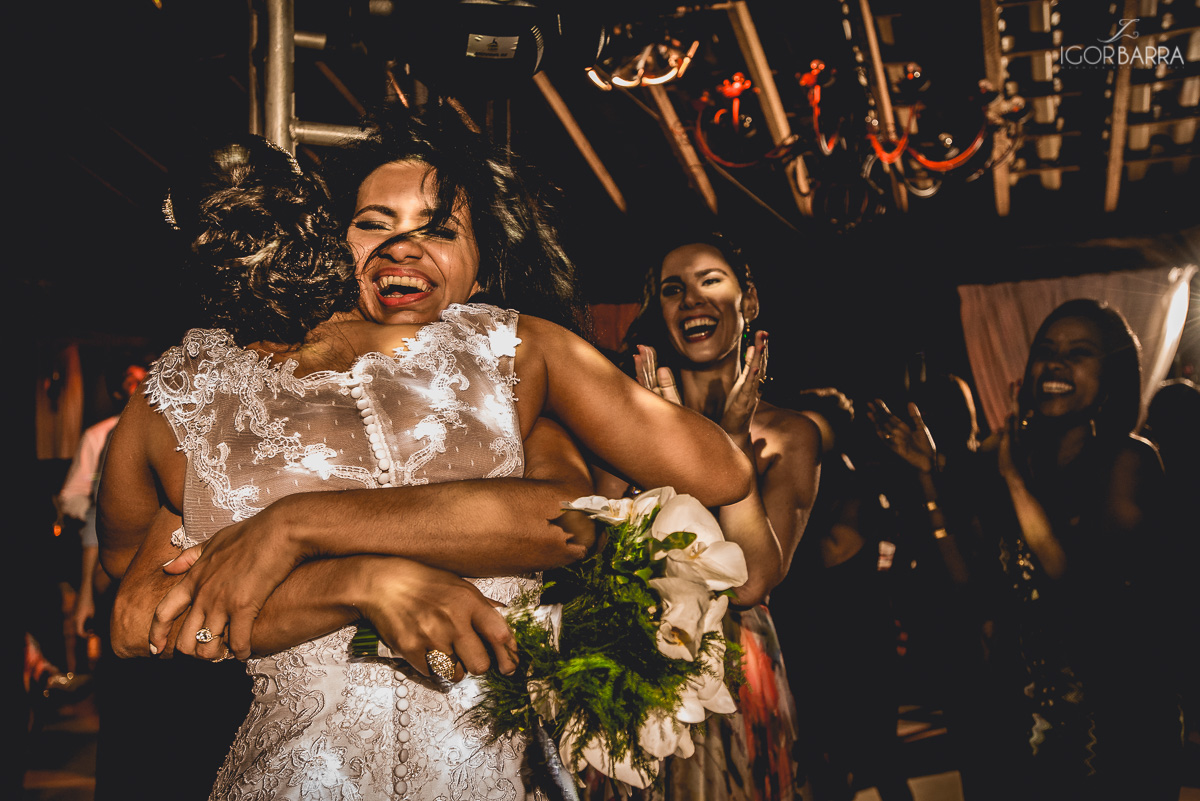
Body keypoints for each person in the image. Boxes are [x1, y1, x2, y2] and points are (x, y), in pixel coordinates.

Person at [99, 113, 757, 801]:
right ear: (333, 242)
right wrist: (358, 580)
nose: (403, 246)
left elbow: (594, 509)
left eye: (439, 228)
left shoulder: (513, 359)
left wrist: (295, 526)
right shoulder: (212, 389)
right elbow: (146, 606)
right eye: (373, 223)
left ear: (482, 273)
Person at [869, 298, 1184, 801]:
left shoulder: (1128, 460)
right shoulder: (1010, 459)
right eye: (1046, 349)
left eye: (1079, 352)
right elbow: (973, 592)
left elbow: (1086, 590)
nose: (1055, 362)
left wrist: (1014, 480)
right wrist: (928, 481)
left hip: (1110, 720)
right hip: (1020, 722)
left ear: (1111, 378)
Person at [602, 231, 823, 801]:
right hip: (637, 652)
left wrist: (728, 446)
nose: (692, 300)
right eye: (674, 290)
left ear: (747, 301)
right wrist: (652, 440)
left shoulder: (791, 434)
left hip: (734, 669)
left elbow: (750, 583)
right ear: (661, 314)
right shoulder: (623, 419)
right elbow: (592, 549)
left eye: (710, 282)